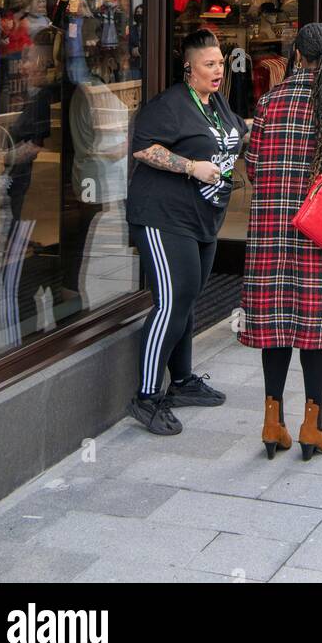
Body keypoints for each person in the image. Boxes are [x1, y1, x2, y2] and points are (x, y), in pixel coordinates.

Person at [238, 22, 322, 460]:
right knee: (315, 332)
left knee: (275, 327)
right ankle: (312, 427)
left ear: (297, 56)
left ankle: (271, 421)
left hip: (271, 233)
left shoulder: (269, 102)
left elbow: (254, 167)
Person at [126, 29, 247, 435]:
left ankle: (181, 382)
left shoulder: (215, 104)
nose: (218, 71)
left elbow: (235, 132)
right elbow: (144, 147)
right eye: (209, 64)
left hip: (203, 219)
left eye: (220, 63)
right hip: (164, 216)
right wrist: (190, 166)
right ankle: (145, 397)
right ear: (189, 68)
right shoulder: (170, 104)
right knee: (171, 302)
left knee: (190, 299)